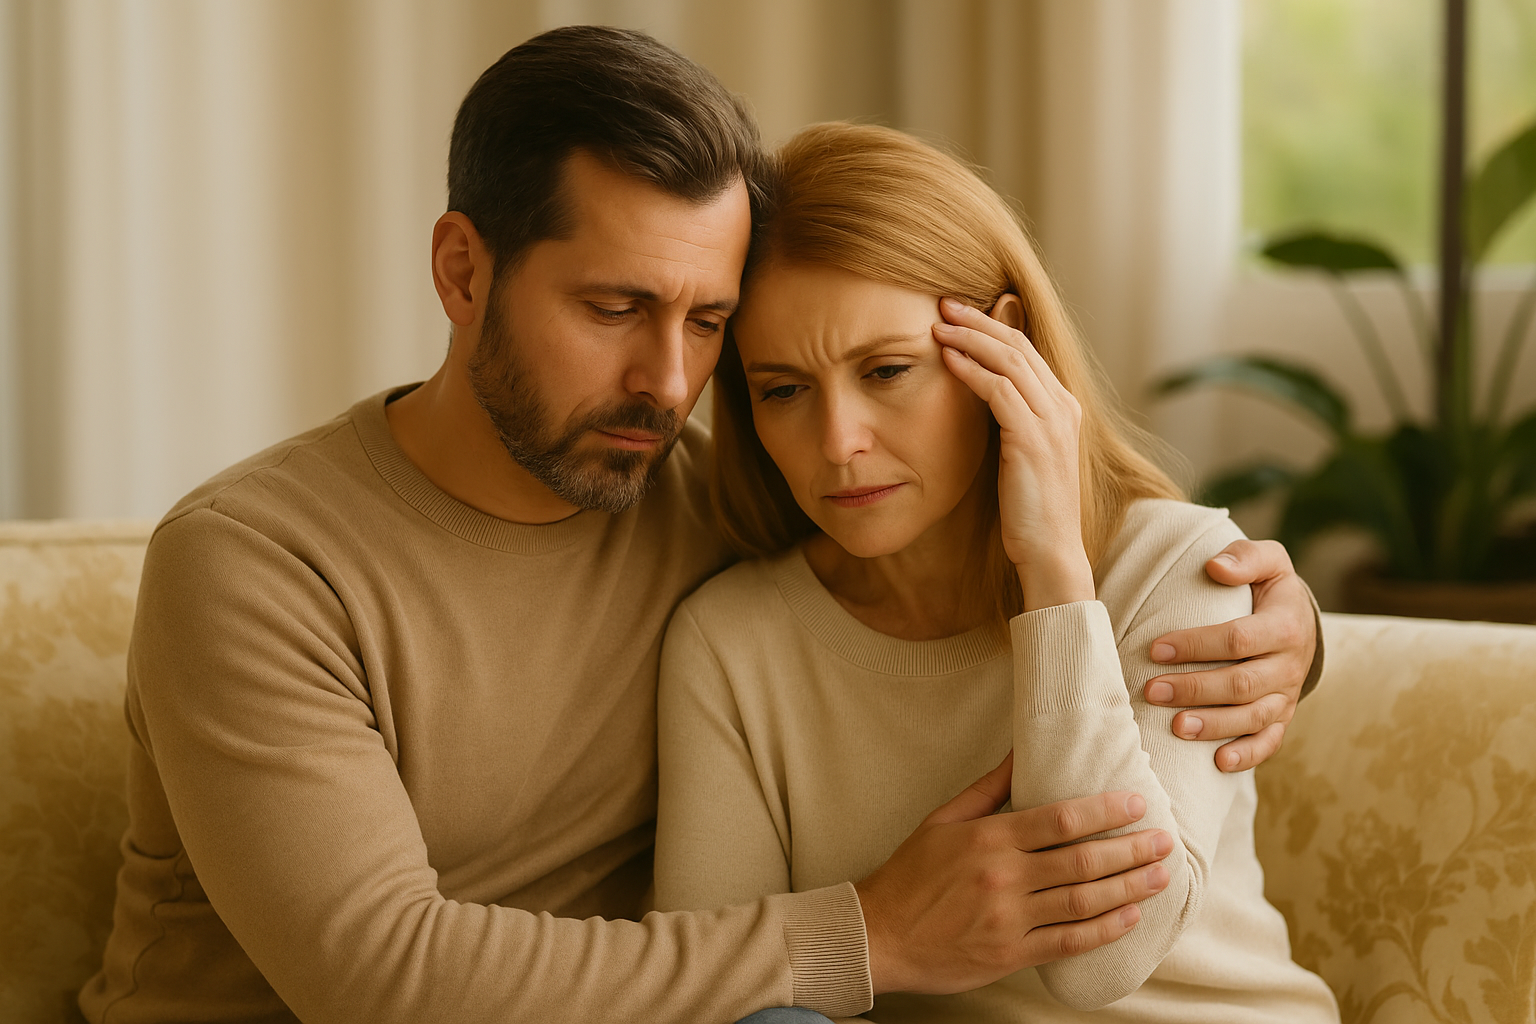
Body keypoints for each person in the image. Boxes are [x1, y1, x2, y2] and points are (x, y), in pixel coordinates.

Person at [81, 27, 1322, 1024]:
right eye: (614, 307)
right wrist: (871, 933)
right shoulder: (254, 564)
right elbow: (380, 980)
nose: (669, 383)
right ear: (462, 272)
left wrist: (1291, 627)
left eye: (708, 322)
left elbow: (985, 566)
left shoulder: (713, 502)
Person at [654, 122, 1339, 1022]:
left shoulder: (1179, 566)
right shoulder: (730, 641)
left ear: (1002, 349)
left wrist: (1054, 573)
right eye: (783, 390)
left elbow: (1103, 962)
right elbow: (715, 987)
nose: (839, 442)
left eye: (886, 370)